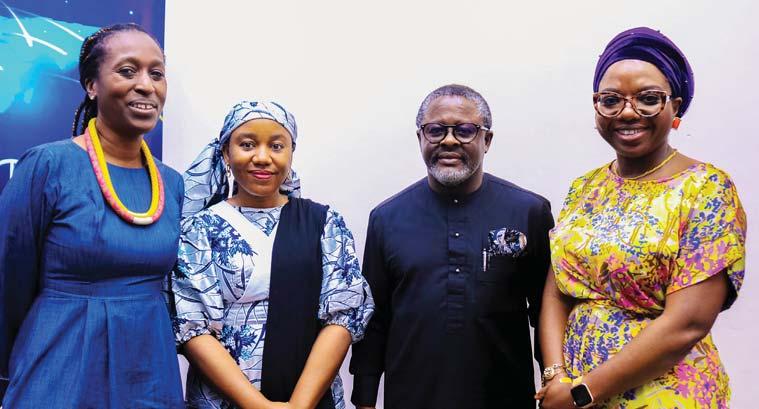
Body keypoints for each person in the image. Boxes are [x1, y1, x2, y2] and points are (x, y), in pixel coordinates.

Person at [537, 27, 747, 409]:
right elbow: (557, 289)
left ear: (675, 107)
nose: (628, 112)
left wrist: (583, 392)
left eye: (648, 99)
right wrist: (555, 376)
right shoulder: (585, 188)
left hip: (666, 396)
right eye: (611, 100)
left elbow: (687, 324)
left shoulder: (706, 190)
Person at [0, 23, 185, 407]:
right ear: (91, 85)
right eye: (127, 71)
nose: (146, 86)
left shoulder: (172, 183)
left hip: (149, 374)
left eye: (156, 74)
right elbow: (8, 280)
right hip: (59, 367)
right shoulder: (48, 166)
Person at [349, 84, 554, 409]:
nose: (448, 140)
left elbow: (547, 311)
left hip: (505, 397)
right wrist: (365, 399)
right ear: (420, 137)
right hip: (412, 399)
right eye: (435, 130)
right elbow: (374, 320)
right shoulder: (386, 218)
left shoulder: (529, 212)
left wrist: (555, 382)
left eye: (464, 130)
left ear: (487, 140)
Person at [172, 100, 374, 409]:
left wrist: (299, 405)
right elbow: (192, 327)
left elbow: (343, 317)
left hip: (311, 399)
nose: (262, 157)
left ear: (291, 153)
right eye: (247, 144)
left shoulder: (324, 223)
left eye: (276, 146)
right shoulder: (200, 229)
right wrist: (259, 406)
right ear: (226, 153)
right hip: (223, 399)